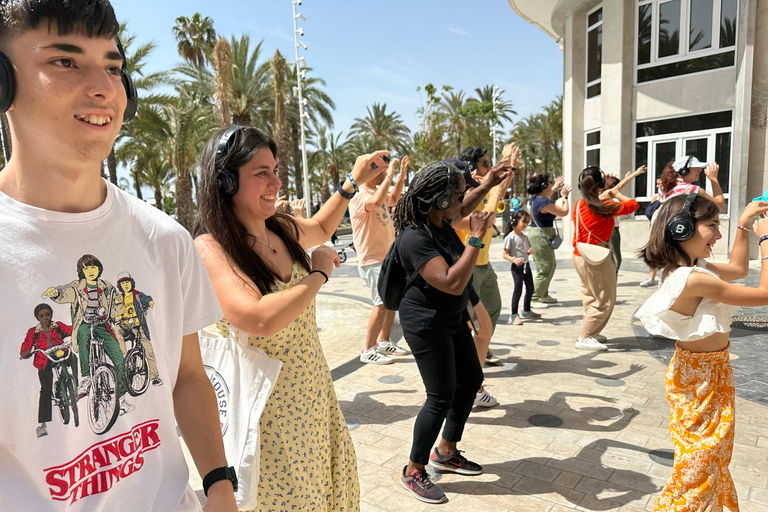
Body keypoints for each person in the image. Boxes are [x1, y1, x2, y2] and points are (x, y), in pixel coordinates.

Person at [0, 1, 238, 510]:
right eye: (65, 61)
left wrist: (219, 485)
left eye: (113, 65)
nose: (105, 87)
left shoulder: (166, 239)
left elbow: (188, 377)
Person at [194, 126, 389, 512]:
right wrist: (317, 275)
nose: (275, 181)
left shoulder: (280, 229)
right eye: (261, 172)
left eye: (276, 169)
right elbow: (256, 318)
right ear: (226, 180)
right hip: (268, 415)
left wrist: (353, 180)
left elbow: (321, 226)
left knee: (327, 494)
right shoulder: (211, 246)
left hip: (315, 397)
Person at [635, 194, 768, 511]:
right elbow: (764, 294)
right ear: (680, 229)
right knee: (697, 473)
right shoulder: (691, 278)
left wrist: (742, 224)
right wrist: (765, 238)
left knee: (711, 461)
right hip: (701, 384)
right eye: (712, 226)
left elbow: (736, 268)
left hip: (710, 374)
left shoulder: (691, 266)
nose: (717, 236)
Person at [391, 161, 507, 504]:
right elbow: (452, 282)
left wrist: (487, 184)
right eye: (455, 195)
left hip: (450, 316)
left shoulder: (438, 219)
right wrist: (475, 237)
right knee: (439, 396)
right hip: (426, 323)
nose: (462, 201)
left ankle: (446, 451)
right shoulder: (414, 237)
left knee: (470, 381)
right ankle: (413, 469)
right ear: (439, 200)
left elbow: (465, 206)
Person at [349, 155, 408, 364]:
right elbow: (374, 203)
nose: (384, 173)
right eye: (381, 170)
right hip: (372, 260)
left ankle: (383, 342)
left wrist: (400, 178)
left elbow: (391, 199)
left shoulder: (376, 191)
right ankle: (367, 350)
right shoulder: (359, 195)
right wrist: (391, 175)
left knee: (390, 303)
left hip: (386, 257)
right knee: (381, 303)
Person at [572, 167, 639, 351]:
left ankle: (592, 331)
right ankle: (585, 337)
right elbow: (633, 205)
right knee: (604, 299)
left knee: (589, 295)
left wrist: (606, 193)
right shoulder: (605, 207)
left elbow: (596, 201)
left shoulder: (579, 205)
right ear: (600, 186)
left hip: (579, 255)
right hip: (596, 257)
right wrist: (616, 192)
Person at [20, 304, 78, 438]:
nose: (46, 318)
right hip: (44, 358)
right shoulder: (33, 331)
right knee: (46, 388)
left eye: (48, 314)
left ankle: (76, 385)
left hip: (59, 353)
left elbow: (70, 330)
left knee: (73, 358)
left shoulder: (57, 325)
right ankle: (42, 424)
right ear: (38, 318)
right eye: (42, 316)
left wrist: (77, 328)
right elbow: (26, 346)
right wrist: (26, 352)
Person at [527, 174, 571, 308]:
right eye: (550, 183)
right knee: (545, 267)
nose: (551, 185)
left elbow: (546, 195)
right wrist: (564, 197)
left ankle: (543, 294)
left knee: (549, 266)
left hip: (539, 234)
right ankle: (533, 298)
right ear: (544, 186)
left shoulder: (535, 198)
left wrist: (556, 187)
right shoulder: (544, 203)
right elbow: (563, 212)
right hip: (541, 236)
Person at [114, 271, 162, 386]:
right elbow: (113, 310)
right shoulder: (118, 298)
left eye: (127, 282)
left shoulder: (137, 295)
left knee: (148, 350)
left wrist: (150, 302)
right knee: (116, 329)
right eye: (123, 283)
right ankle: (124, 358)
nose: (125, 285)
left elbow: (147, 298)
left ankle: (155, 376)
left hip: (137, 325)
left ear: (131, 283)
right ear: (120, 286)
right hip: (124, 325)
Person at [598, 165, 647, 274]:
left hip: (611, 229)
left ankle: (609, 278)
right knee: (616, 258)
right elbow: (619, 188)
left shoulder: (603, 195)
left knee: (612, 257)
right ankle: (610, 278)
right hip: (611, 230)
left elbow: (619, 186)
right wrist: (636, 173)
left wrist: (627, 178)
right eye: (609, 177)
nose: (611, 176)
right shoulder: (602, 196)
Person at [502, 210, 540, 326]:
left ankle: (526, 310)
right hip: (516, 267)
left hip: (526, 266)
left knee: (530, 288)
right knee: (518, 289)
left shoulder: (525, 237)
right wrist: (514, 259)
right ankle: (513, 314)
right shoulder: (510, 237)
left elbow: (524, 251)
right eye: (523, 221)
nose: (525, 224)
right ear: (515, 221)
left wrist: (528, 252)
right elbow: (504, 254)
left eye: (527, 222)